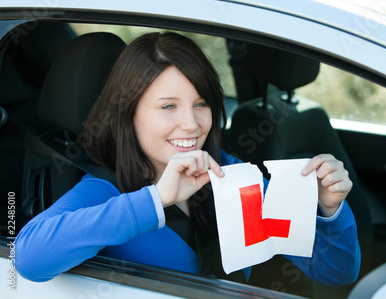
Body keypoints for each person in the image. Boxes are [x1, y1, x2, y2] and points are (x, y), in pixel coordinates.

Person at [15, 32, 361, 285]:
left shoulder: (231, 175)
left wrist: (329, 212)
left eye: (201, 104)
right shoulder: (107, 190)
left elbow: (334, 272)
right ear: (128, 114)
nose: (192, 125)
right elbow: (29, 259)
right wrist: (157, 199)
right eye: (168, 106)